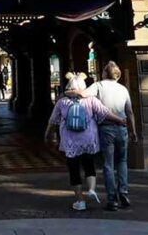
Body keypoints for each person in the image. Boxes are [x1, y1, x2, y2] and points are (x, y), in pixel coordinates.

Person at [45, 72, 125, 212]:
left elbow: (52, 121)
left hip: (70, 142)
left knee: (74, 170)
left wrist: (47, 134)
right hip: (88, 139)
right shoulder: (91, 100)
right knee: (89, 166)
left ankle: (80, 201)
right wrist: (120, 120)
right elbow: (105, 112)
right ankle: (92, 189)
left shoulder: (62, 102)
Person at [75, 61, 137, 211]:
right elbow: (129, 112)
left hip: (105, 129)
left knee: (108, 164)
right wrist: (133, 130)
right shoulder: (123, 89)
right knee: (122, 161)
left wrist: (69, 92)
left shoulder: (99, 85)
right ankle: (123, 191)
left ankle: (112, 199)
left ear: (104, 73)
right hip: (122, 129)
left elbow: (83, 94)